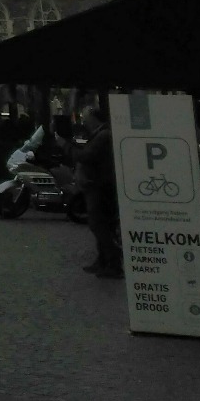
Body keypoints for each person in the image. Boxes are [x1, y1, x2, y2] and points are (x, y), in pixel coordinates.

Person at [76, 102, 121, 278]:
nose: (85, 122)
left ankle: (113, 261)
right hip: (98, 184)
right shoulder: (99, 134)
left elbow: (87, 156)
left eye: (86, 119)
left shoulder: (103, 136)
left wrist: (67, 146)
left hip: (100, 186)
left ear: (94, 118)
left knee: (98, 224)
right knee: (101, 225)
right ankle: (104, 260)